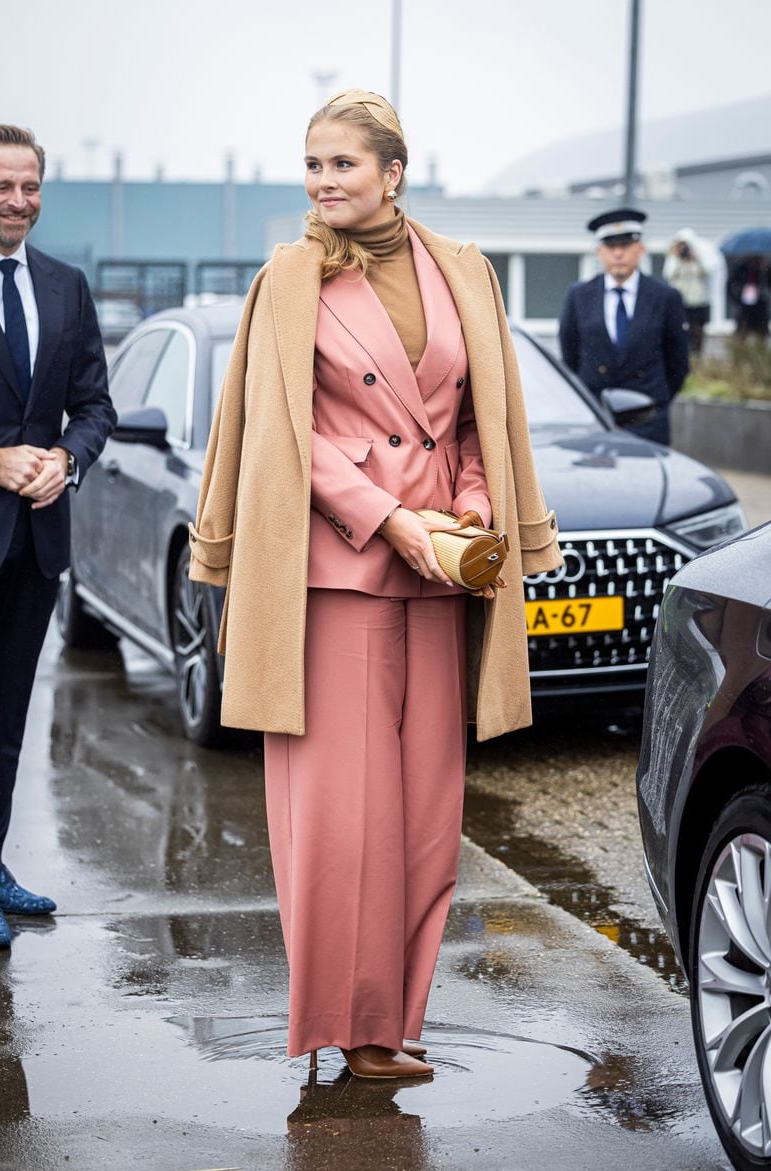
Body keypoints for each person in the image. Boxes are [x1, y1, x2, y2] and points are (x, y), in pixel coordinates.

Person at [189, 89, 561, 1080]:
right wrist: (388, 519)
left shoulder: (462, 271)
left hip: (443, 574)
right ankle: (350, 1029)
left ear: (392, 171)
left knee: (427, 817)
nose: (321, 183)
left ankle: (394, 1018)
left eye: (340, 165)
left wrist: (473, 511)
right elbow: (287, 438)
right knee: (344, 821)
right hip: (339, 573)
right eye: (311, 166)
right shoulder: (290, 278)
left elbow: (481, 417)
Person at [0, 125, 116, 949]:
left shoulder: (65, 287)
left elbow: (96, 406)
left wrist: (68, 457)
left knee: (9, 716)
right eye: (2, 187)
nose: (18, 202)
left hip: (37, 541)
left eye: (29, 187)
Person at [559, 208, 689, 446]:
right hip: (594, 417)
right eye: (611, 247)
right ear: (599, 252)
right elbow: (570, 356)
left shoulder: (665, 297)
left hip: (648, 419)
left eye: (626, 246)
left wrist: (656, 402)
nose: (618, 254)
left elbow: (678, 362)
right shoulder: (580, 295)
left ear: (640, 249)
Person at [663, 230, 711, 355]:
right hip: (680, 301)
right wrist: (676, 257)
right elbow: (669, 274)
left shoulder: (697, 259)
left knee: (697, 329)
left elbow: (707, 272)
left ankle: (697, 353)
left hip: (697, 301)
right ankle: (681, 352)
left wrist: (697, 258)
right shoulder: (674, 259)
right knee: (680, 328)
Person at [727, 255, 771, 339]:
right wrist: (738, 297)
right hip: (745, 306)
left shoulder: (765, 268)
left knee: (761, 333)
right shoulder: (741, 268)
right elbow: (731, 284)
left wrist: (765, 270)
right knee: (742, 332)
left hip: (760, 306)